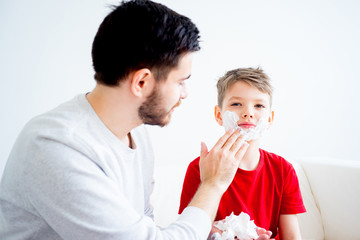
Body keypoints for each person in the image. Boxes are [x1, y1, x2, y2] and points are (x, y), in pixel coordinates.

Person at [0, 1, 250, 239]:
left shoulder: (136, 132)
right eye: (181, 81)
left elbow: (142, 224)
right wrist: (213, 184)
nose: (185, 93)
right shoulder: (57, 148)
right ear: (141, 82)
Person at [179, 67, 306, 240]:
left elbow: (292, 237)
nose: (248, 113)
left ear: (269, 118)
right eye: (236, 104)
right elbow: (189, 231)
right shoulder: (199, 168)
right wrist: (216, 234)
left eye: (259, 105)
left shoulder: (284, 171)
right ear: (219, 115)